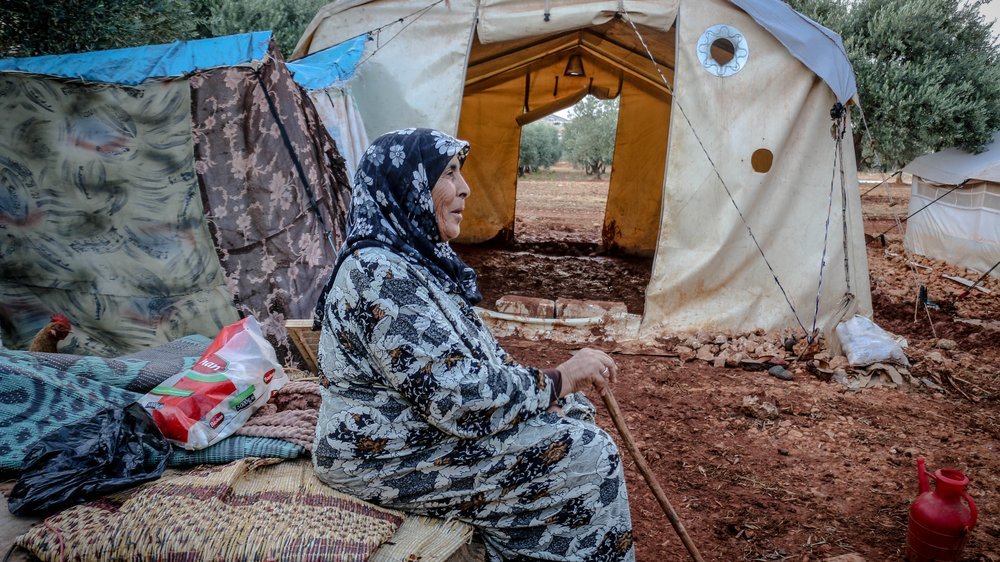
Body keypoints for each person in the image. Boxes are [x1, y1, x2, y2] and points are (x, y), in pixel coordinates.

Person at [312, 128, 634, 561]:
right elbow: (454, 396)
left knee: (574, 419)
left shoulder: (413, 263)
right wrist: (557, 380)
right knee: (587, 456)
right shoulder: (378, 273)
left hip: (421, 431)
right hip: (385, 452)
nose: (464, 187)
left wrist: (545, 396)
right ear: (407, 185)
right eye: (447, 173)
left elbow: (476, 362)